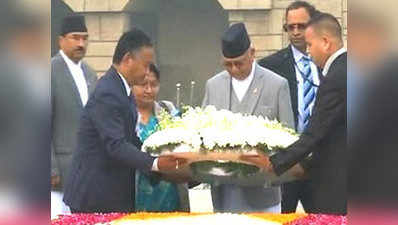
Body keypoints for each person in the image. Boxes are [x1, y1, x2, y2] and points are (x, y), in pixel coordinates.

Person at [63, 29, 184, 213]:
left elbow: (131, 140)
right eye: (146, 65)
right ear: (128, 59)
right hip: (95, 196)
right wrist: (156, 163)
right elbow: (116, 145)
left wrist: (160, 161)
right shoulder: (109, 92)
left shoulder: (122, 89)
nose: (147, 71)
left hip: (112, 192)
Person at [243, 13, 347, 215]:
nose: (308, 52)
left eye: (310, 45)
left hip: (338, 179)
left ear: (325, 42)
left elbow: (316, 132)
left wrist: (274, 162)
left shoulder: (337, 76)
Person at [202, 22, 294, 213]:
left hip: (263, 194)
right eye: (228, 64)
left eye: (239, 63)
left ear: (252, 53)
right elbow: (201, 133)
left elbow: (289, 138)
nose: (234, 69)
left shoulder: (276, 85)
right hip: (223, 191)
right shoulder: (213, 85)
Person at [258, 1, 319, 213]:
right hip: (285, 164)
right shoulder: (270, 66)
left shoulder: (331, 63)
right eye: (290, 27)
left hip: (322, 162)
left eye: (301, 26)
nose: (295, 32)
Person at [51, 14, 97, 215]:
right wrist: (49, 169)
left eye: (85, 38)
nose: (81, 43)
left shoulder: (90, 73)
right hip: (60, 170)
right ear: (61, 40)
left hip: (89, 170)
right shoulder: (49, 71)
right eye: (75, 37)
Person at [133, 63, 189, 212]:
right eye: (142, 84)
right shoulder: (125, 116)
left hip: (170, 192)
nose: (149, 90)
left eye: (153, 84)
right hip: (136, 192)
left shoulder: (169, 112)